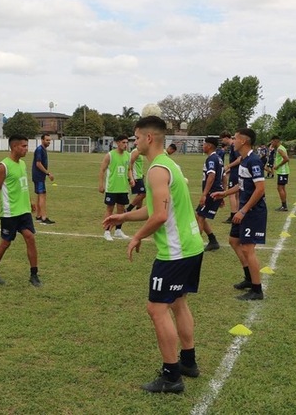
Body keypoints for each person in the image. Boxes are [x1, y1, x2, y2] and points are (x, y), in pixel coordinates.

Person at [103, 116, 204, 394]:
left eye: (136, 138)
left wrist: (136, 236)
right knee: (179, 303)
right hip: (192, 246)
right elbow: (153, 209)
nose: (134, 143)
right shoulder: (168, 165)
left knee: (157, 309)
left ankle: (171, 377)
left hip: (175, 252)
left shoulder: (156, 170)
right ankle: (188, 363)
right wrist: (123, 215)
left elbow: (159, 216)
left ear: (148, 138)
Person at [211, 128, 267, 301]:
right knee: (234, 241)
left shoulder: (254, 161)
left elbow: (260, 189)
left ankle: (257, 290)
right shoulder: (243, 160)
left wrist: (243, 211)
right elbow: (242, 186)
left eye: (235, 138)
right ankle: (249, 278)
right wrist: (225, 193)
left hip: (253, 212)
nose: (232, 141)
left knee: (248, 249)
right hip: (244, 209)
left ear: (243, 141)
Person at [0, 135, 42, 287]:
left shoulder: (23, 164)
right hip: (10, 212)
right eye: (24, 146)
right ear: (14, 147)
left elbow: (22, 185)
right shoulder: (3, 166)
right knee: (5, 243)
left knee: (30, 238)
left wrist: (30, 201)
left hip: (23, 211)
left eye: (27, 145)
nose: (27, 149)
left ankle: (34, 274)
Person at [99, 135, 134, 241]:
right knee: (109, 210)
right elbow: (102, 170)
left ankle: (118, 230)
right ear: (117, 143)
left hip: (123, 188)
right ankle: (107, 231)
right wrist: (101, 184)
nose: (125, 145)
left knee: (121, 210)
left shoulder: (128, 156)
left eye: (127, 143)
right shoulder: (110, 155)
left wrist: (131, 179)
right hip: (112, 188)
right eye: (123, 142)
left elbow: (129, 169)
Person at [197, 137, 224, 251]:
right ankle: (213, 241)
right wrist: (222, 193)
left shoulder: (212, 159)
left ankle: (195, 245)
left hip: (212, 193)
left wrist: (204, 194)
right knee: (200, 215)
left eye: (204, 144)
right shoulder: (218, 158)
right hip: (216, 191)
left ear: (209, 146)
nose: (202, 146)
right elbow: (224, 176)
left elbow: (212, 176)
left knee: (200, 216)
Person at [32, 133, 55, 224]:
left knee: (39, 195)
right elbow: (38, 163)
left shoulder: (43, 150)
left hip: (39, 176)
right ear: (42, 140)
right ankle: (44, 218)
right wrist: (48, 173)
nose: (49, 142)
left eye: (49, 140)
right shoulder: (39, 150)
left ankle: (38, 215)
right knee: (42, 195)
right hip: (38, 176)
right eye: (47, 140)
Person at [220, 132, 242, 223]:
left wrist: (228, 166)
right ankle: (238, 213)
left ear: (226, 138)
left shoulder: (233, 145)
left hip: (236, 173)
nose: (222, 141)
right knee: (237, 195)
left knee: (231, 194)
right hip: (236, 172)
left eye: (222, 139)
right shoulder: (233, 146)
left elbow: (239, 159)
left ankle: (233, 215)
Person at [271, 136, 290, 211]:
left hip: (282, 171)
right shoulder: (282, 148)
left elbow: (286, 159)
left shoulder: (279, 149)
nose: (271, 144)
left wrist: (277, 166)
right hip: (283, 171)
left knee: (280, 188)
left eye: (272, 142)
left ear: (276, 141)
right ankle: (284, 205)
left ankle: (284, 206)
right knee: (282, 188)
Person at [127, 142, 146, 212]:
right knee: (143, 194)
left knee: (140, 193)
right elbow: (130, 164)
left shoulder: (140, 152)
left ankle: (138, 210)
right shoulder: (136, 152)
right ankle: (128, 209)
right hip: (135, 176)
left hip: (139, 175)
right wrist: (131, 177)